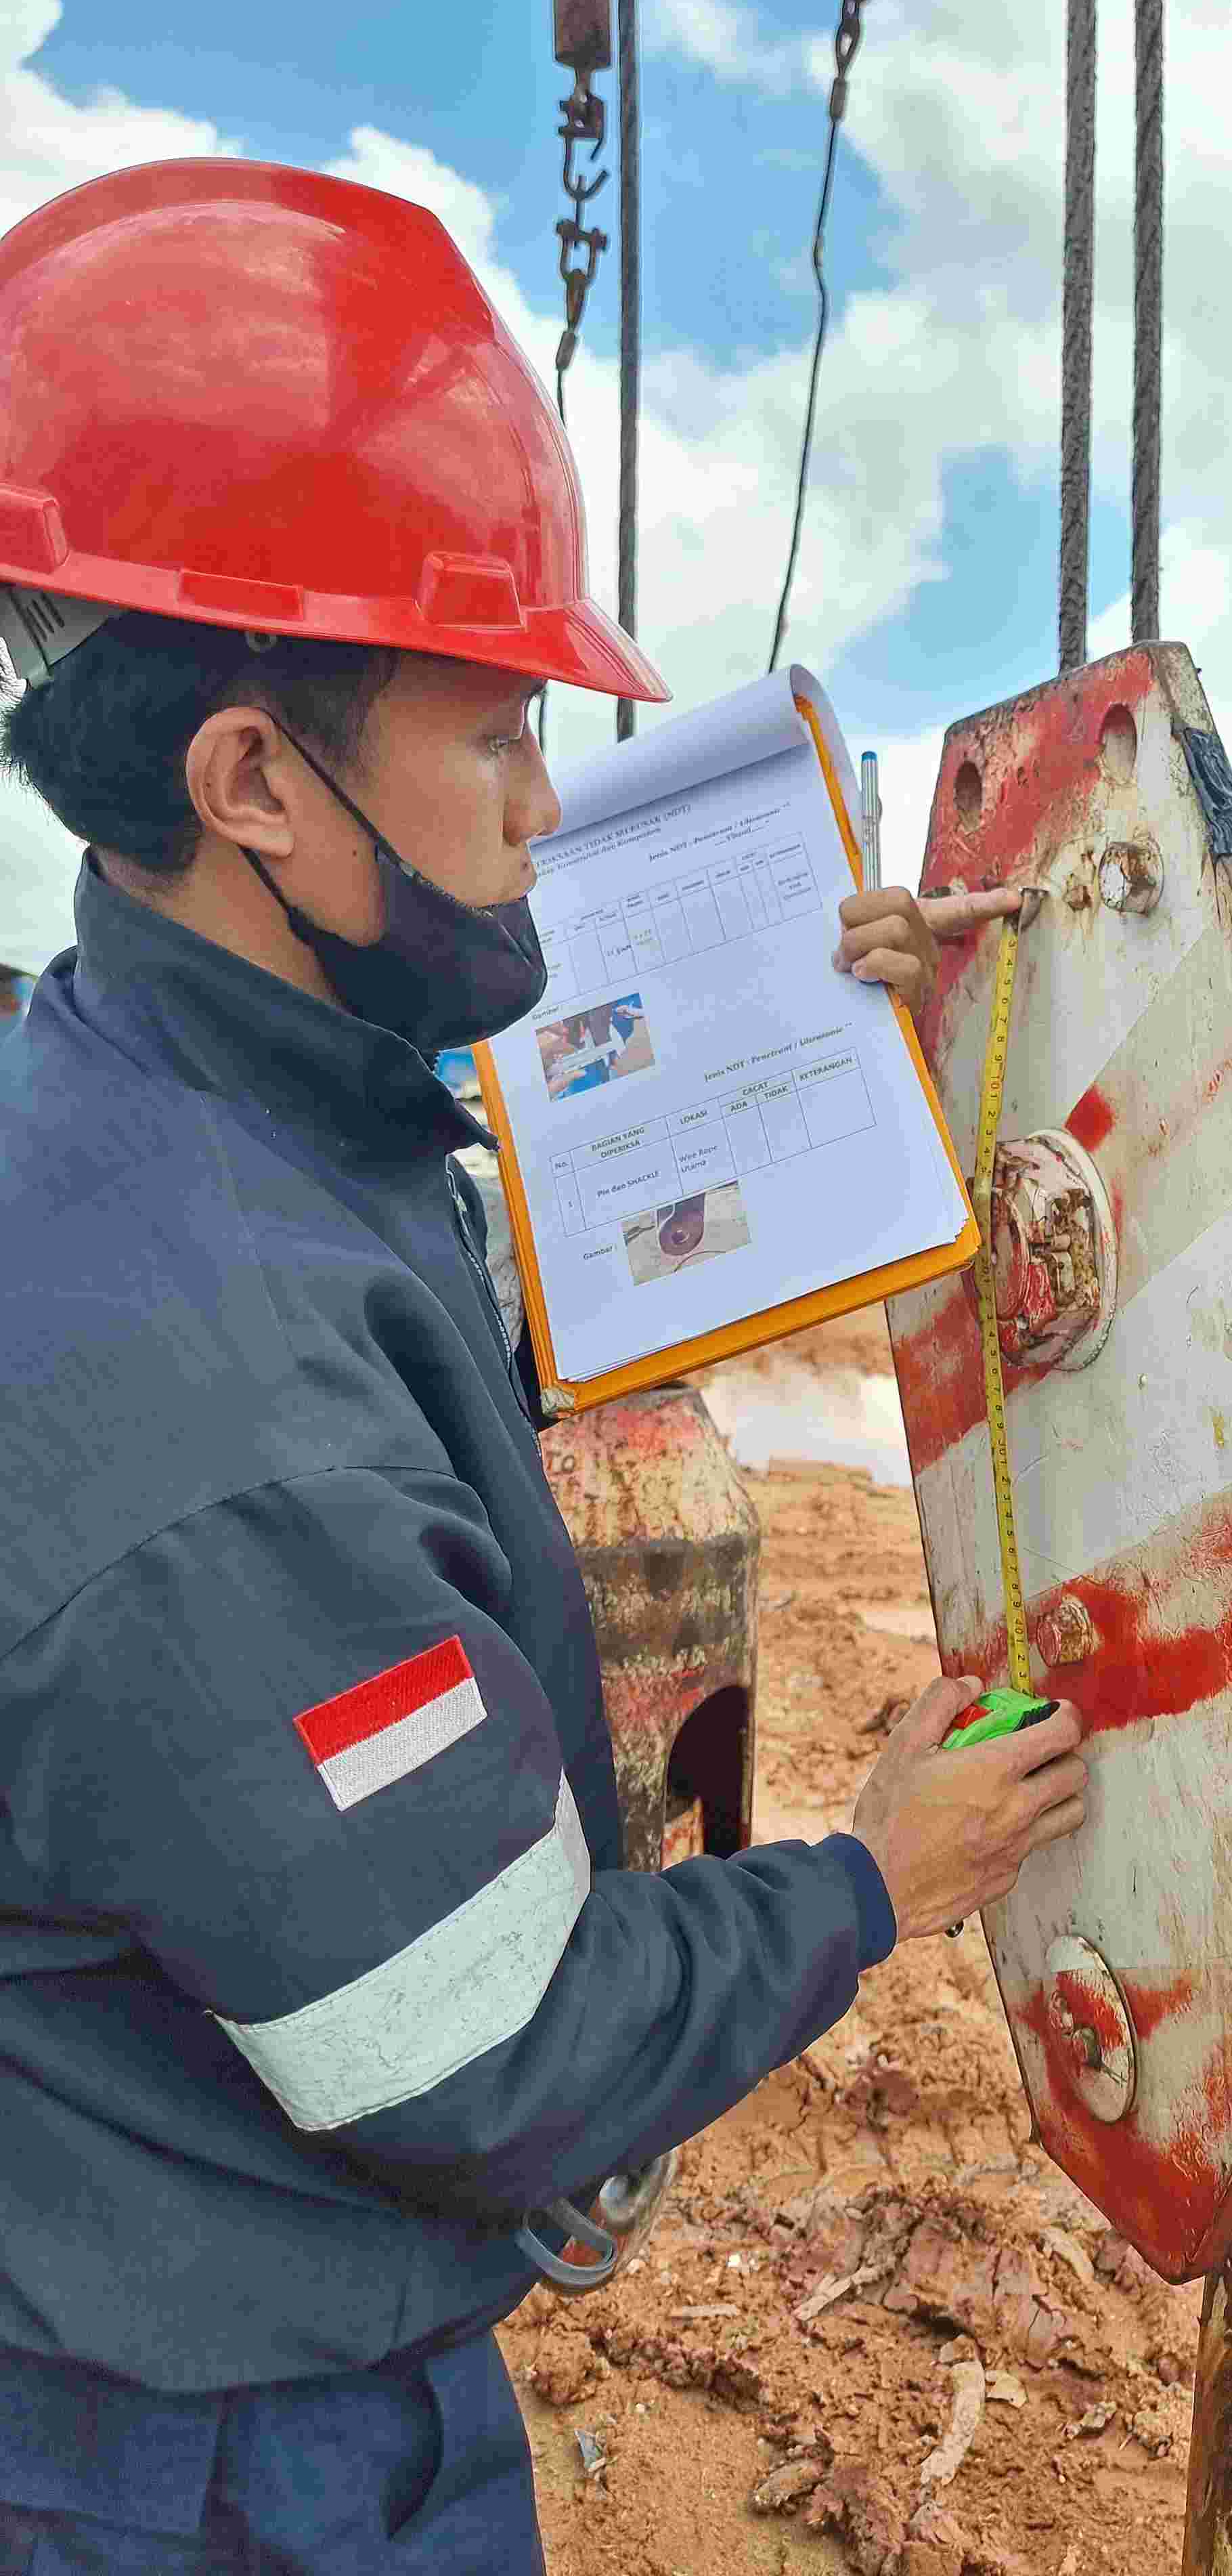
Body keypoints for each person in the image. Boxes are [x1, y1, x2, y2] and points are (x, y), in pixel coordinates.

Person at [0, 159, 1084, 2573]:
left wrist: (805, 1050)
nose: (542, 810)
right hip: (211, 2463)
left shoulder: (174, 1090)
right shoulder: (221, 1441)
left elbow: (451, 1320)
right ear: (250, 779)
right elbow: (482, 2053)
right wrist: (870, 1880)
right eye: (494, 732)